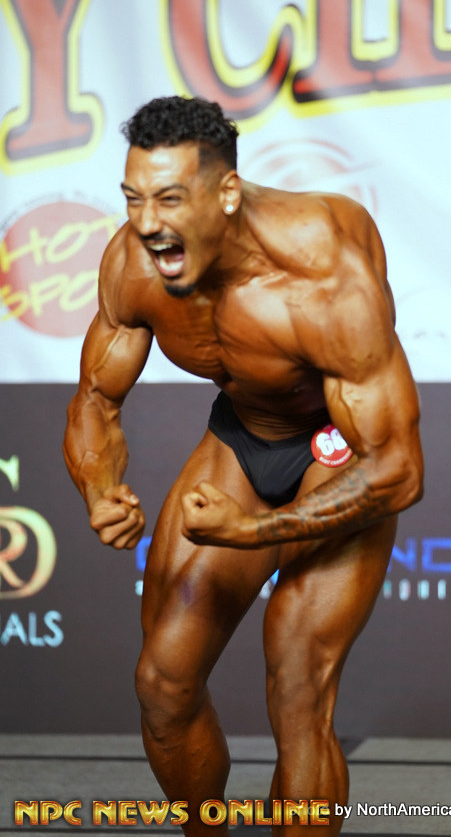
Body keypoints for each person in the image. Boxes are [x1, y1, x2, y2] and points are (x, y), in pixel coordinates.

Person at [63, 96, 424, 835]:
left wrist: (255, 532)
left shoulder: (320, 270)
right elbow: (97, 398)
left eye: (169, 200)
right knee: (163, 684)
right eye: (133, 198)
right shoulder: (133, 264)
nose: (147, 223)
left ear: (226, 192)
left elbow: (397, 469)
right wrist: (100, 488)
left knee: (298, 684)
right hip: (243, 437)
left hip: (340, 448)